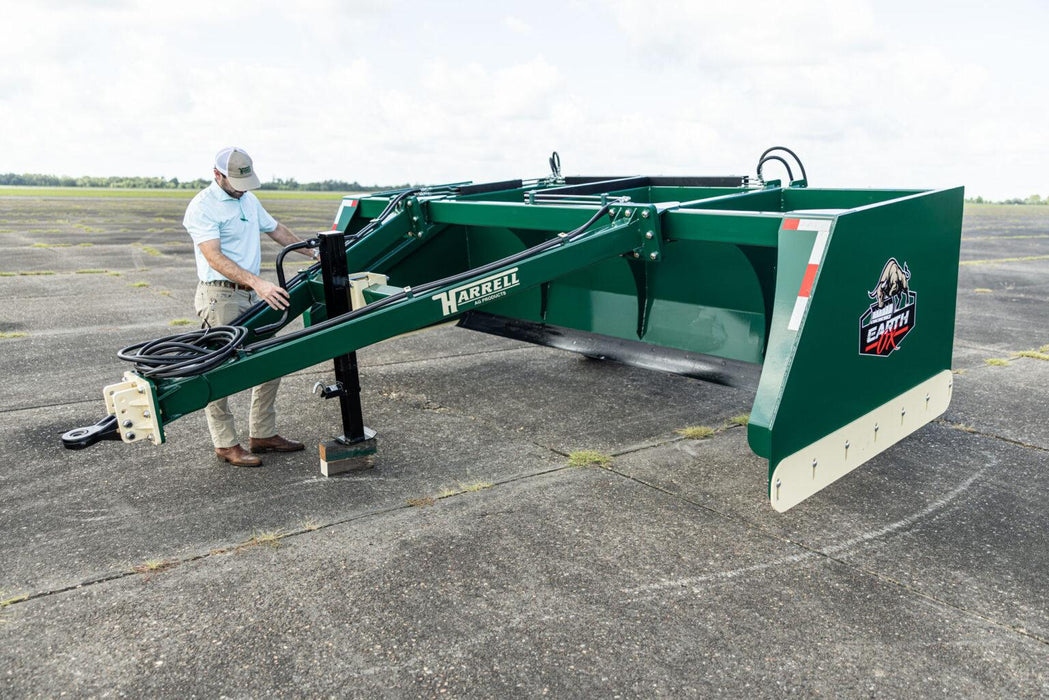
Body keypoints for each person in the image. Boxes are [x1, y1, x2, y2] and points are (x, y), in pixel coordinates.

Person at [183, 147, 318, 467]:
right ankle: (226, 444)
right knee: (221, 370)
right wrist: (259, 283)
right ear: (217, 175)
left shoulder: (248, 200)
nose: (242, 188)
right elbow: (213, 257)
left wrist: (313, 253)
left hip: (248, 295)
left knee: (271, 361)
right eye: (236, 182)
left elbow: (276, 230)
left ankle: (262, 433)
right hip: (220, 297)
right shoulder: (203, 207)